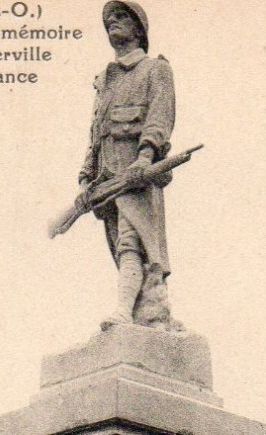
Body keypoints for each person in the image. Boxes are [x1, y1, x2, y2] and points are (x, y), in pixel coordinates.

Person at [79, 2, 176, 330]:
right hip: (107, 177)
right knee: (121, 248)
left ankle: (124, 312)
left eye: (120, 18)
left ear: (138, 29)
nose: (112, 24)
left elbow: (159, 116)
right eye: (108, 20)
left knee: (132, 242)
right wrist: (85, 177)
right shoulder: (105, 80)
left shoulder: (155, 69)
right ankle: (139, 311)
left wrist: (146, 156)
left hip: (136, 171)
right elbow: (96, 132)